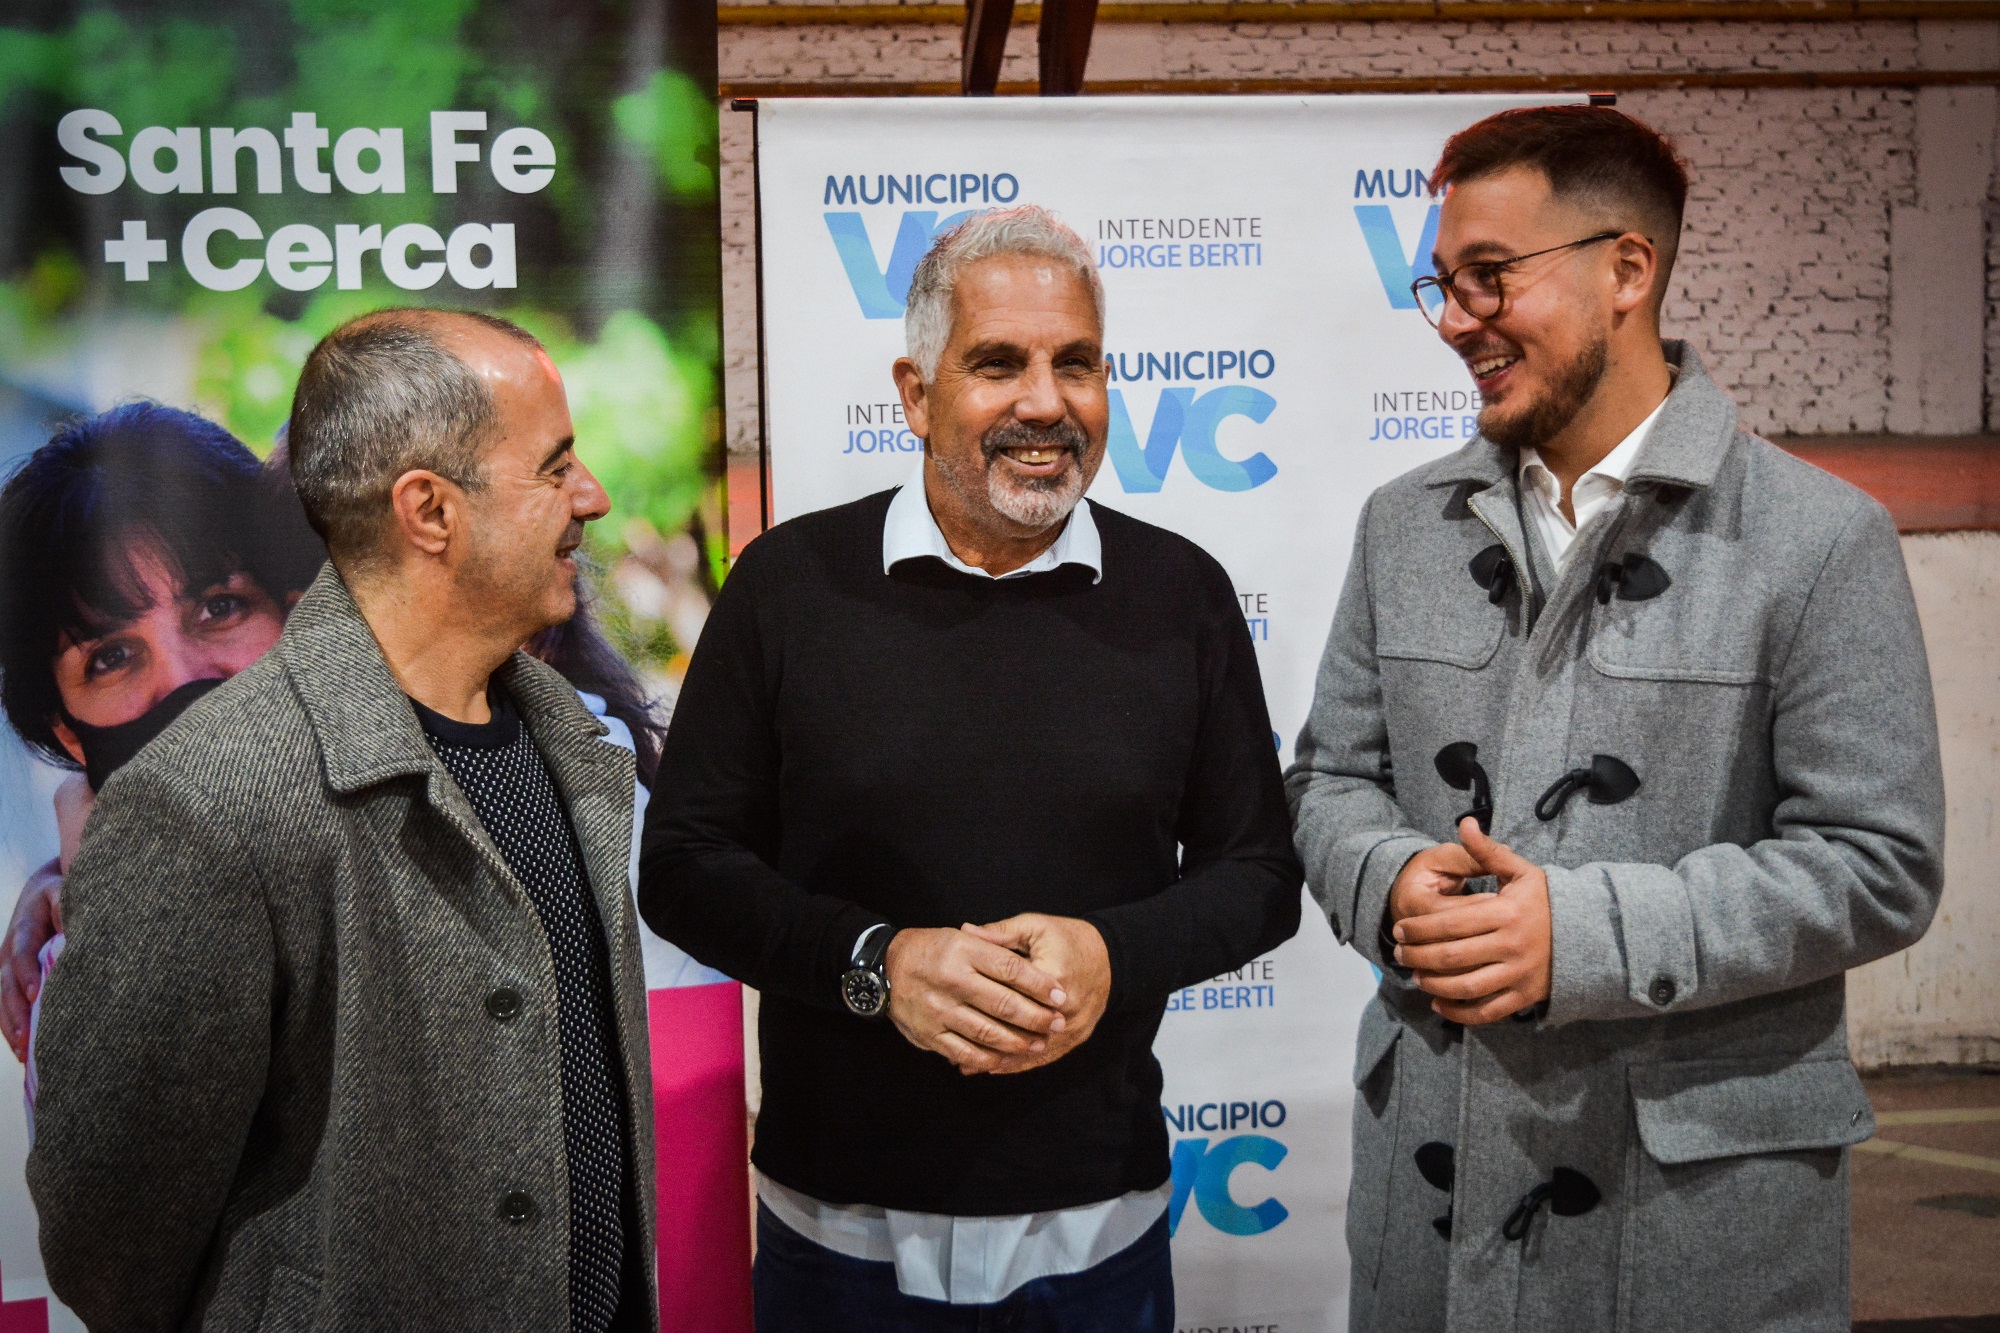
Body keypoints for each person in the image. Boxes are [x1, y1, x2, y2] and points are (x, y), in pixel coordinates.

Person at [1286, 106, 1944, 1333]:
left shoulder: (1817, 539)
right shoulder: (1399, 526)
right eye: (1443, 283)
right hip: (1430, 1199)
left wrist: (1580, 933)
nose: (1454, 319)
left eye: (1490, 276)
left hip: (1689, 1224)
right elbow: (1327, 779)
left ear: (1625, 270)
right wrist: (1387, 878)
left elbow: (1878, 864)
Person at [640, 204, 1302, 1332]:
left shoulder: (1181, 592)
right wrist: (876, 964)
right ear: (915, 393)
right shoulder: (786, 585)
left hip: (1099, 1235)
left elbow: (1260, 876)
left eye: (1075, 364)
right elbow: (685, 866)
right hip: (837, 1235)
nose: (1045, 402)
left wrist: (1112, 954)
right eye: (998, 364)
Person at [27, 309, 660, 1331]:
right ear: (429, 510)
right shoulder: (201, 799)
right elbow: (112, 1251)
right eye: (553, 467)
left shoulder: (568, 740)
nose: (590, 496)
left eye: (215, 607)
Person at [0, 403, 322, 1064]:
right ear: (69, 732)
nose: (184, 682)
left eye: (220, 606)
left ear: (295, 611)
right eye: (111, 657)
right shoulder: (75, 995)